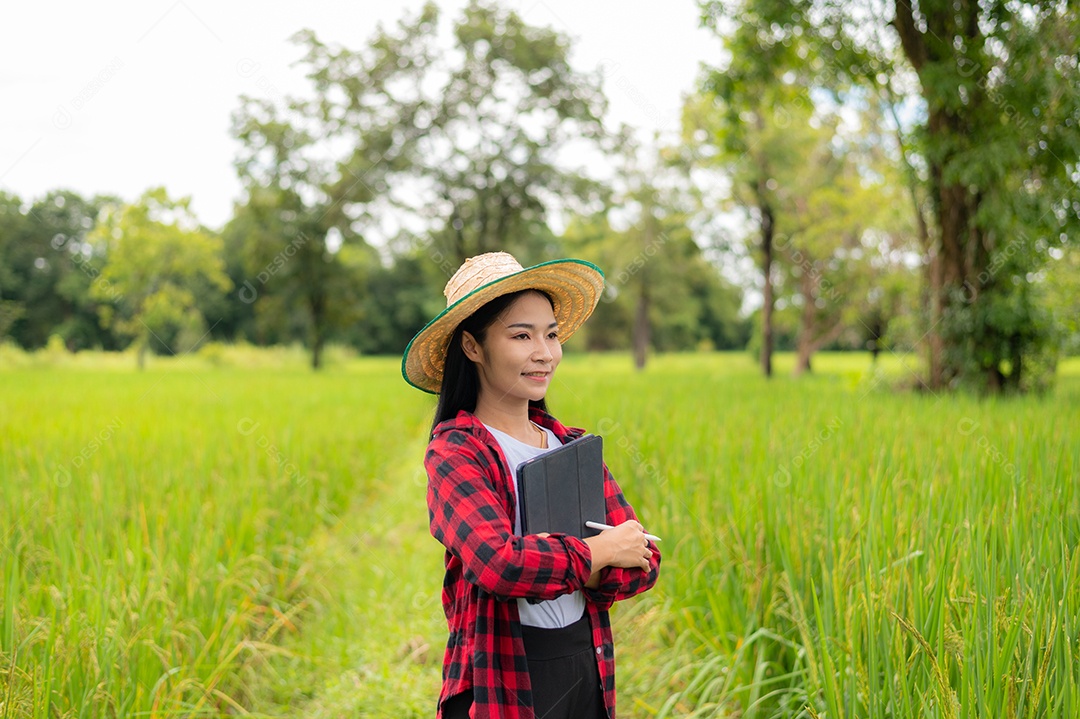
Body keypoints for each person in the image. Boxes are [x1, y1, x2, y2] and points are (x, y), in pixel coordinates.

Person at [401, 251, 662, 719]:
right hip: (503, 675)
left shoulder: (569, 447)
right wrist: (599, 554)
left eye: (552, 334)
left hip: (586, 665)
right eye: (521, 335)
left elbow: (643, 559)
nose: (545, 352)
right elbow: (501, 566)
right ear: (473, 347)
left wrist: (554, 560)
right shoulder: (458, 452)